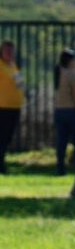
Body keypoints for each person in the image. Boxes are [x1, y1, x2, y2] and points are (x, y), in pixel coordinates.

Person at [53, 48, 75, 175]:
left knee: (61, 141)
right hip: (72, 111)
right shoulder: (72, 74)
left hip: (59, 110)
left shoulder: (58, 72)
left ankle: (60, 167)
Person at [0, 40, 23, 174]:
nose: (9, 53)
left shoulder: (13, 65)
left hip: (14, 107)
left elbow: (19, 84)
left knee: (7, 137)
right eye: (6, 51)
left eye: (11, 51)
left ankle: (2, 161)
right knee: (1, 137)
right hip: (2, 107)